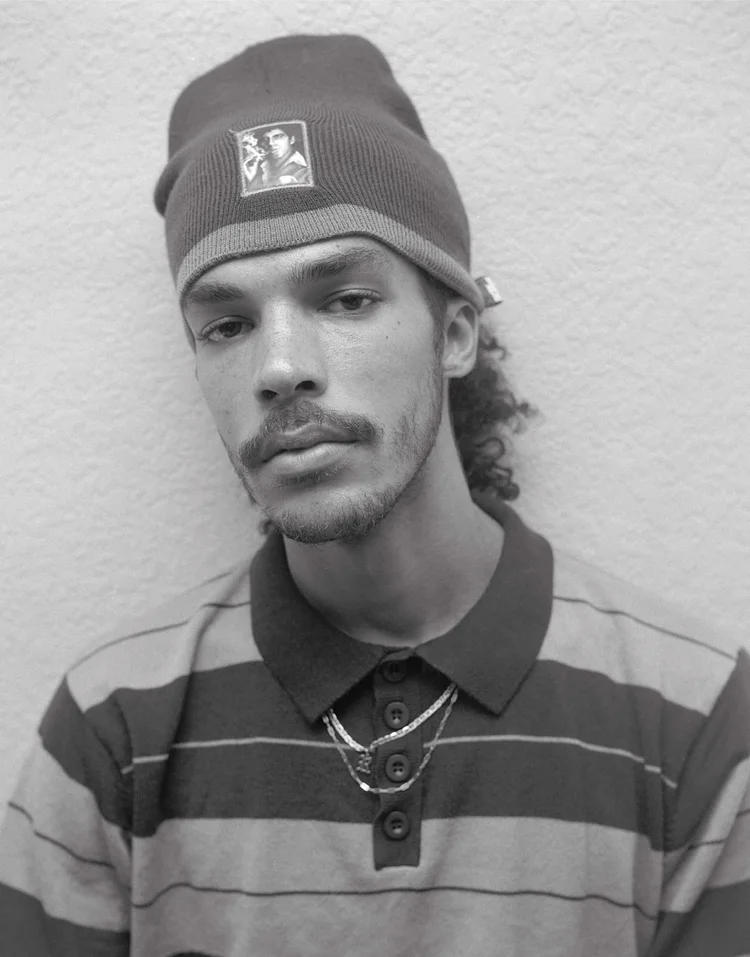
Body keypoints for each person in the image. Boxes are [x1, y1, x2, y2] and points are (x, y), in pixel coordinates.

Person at [0, 32, 748, 957]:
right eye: (227, 324)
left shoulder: (693, 715)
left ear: (456, 332)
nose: (280, 367)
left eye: (344, 299)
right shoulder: (112, 725)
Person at [242, 123, 312, 190]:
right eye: (266, 138)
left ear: (291, 140)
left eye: (277, 137)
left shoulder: (305, 170)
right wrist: (251, 178)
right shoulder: (259, 164)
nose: (270, 143)